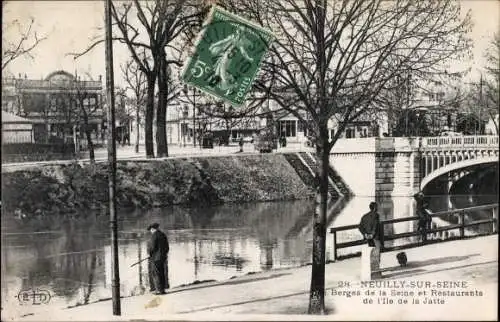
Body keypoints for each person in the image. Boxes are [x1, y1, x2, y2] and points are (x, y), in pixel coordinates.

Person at [358, 202, 382, 279]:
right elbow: (375, 226)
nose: (377, 208)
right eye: (377, 207)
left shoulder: (364, 216)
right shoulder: (376, 215)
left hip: (368, 238)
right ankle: (376, 269)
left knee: (370, 253)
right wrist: (372, 234)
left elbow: (360, 227)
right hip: (375, 237)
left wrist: (365, 234)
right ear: (375, 208)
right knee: (377, 252)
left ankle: (371, 268)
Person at [147, 223, 169, 295]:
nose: (150, 232)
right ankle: (162, 289)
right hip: (162, 258)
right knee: (162, 273)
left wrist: (149, 254)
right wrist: (164, 254)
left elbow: (152, 247)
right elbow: (167, 247)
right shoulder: (163, 234)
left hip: (155, 258)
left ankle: (158, 290)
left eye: (150, 230)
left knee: (156, 274)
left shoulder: (154, 236)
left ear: (153, 229)